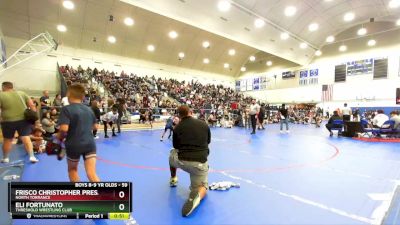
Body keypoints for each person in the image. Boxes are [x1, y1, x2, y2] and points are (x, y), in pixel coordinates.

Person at [169, 105, 210, 217]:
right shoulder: (203, 124)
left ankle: (173, 179)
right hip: (199, 164)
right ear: (191, 112)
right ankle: (196, 196)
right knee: (203, 187)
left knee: (171, 154)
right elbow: (208, 141)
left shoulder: (177, 128)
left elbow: (175, 146)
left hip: (182, 162)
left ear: (179, 115)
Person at [57, 84, 100, 182]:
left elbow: (64, 129)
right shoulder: (89, 110)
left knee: (73, 170)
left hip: (74, 144)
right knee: (91, 173)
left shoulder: (66, 109)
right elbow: (95, 127)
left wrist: (57, 140)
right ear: (83, 97)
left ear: (68, 95)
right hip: (89, 144)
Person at [0, 81, 39, 163]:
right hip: (23, 120)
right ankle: (32, 156)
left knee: (8, 140)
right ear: (12, 87)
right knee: (26, 138)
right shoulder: (21, 93)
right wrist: (35, 118)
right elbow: (32, 105)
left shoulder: (1, 95)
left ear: (3, 87)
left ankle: (6, 158)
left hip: (8, 121)